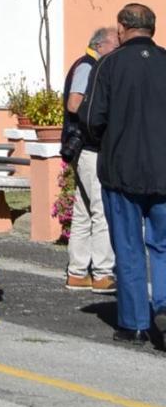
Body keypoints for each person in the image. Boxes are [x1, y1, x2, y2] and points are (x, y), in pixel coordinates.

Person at [86, 3, 166, 347]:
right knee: (163, 245)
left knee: (129, 247)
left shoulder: (108, 65)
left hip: (121, 169)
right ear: (153, 28)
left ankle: (133, 323)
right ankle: (164, 304)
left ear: (121, 28)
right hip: (163, 169)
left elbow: (92, 118)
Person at [61, 26, 118, 293]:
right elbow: (74, 103)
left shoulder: (86, 64)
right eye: (114, 46)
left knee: (84, 210)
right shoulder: (87, 66)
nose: (116, 51)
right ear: (100, 46)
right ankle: (102, 273)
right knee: (100, 210)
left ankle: (77, 271)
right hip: (88, 147)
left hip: (81, 148)